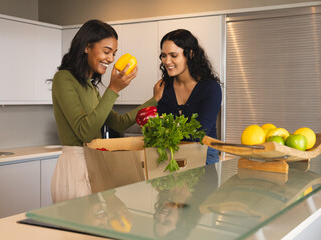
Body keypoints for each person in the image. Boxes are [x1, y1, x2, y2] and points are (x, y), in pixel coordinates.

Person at [51, 19, 164, 203]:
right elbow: (85, 132)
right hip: (75, 166)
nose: (111, 59)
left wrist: (155, 99)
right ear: (87, 47)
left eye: (113, 53)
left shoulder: (91, 88)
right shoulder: (63, 79)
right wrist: (114, 89)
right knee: (73, 230)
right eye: (106, 51)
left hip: (95, 163)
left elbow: (119, 122)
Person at [155, 29, 222, 165]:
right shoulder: (163, 88)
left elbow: (199, 133)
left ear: (190, 54)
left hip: (204, 155)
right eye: (163, 55)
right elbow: (160, 128)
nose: (167, 61)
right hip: (172, 154)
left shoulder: (210, 88)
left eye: (173, 55)